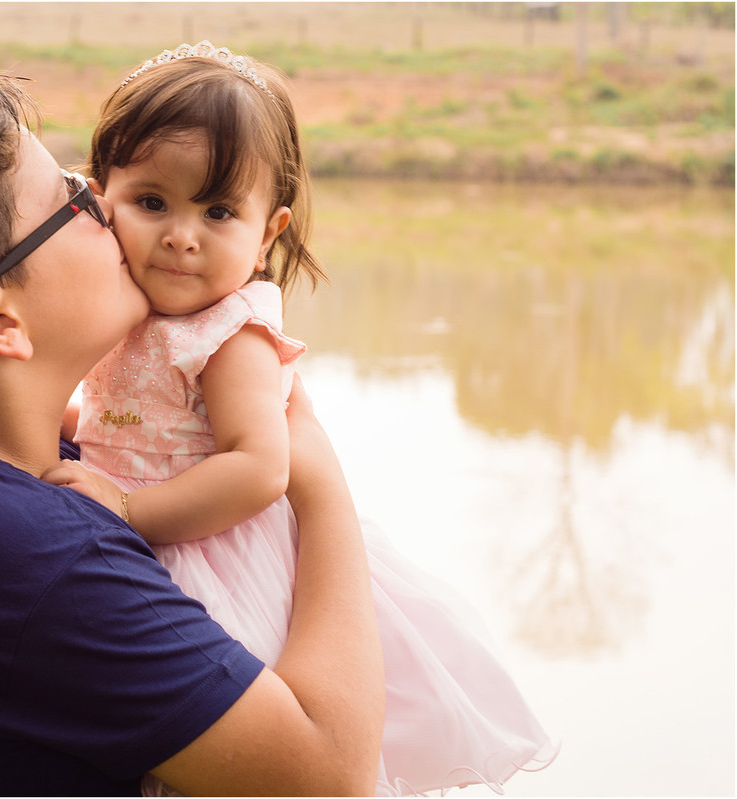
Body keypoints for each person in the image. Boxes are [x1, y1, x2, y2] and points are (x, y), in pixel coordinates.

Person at [0, 72, 385, 796]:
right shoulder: (39, 556)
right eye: (72, 201)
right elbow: (332, 776)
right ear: (3, 319)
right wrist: (318, 478)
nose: (105, 208)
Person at [44, 42, 558, 796]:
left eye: (218, 212)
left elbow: (260, 466)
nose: (182, 235)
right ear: (101, 198)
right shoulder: (126, 304)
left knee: (219, 748)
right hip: (145, 522)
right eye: (153, 202)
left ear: (269, 230)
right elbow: (117, 408)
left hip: (213, 546)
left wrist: (128, 508)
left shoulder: (230, 333)